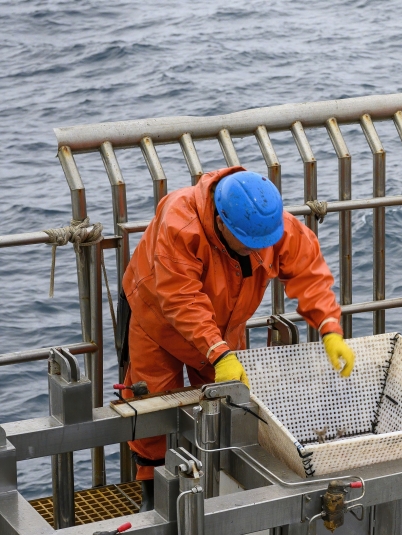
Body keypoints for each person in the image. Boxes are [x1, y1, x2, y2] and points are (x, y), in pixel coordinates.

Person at [120, 167, 355, 505]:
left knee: (230, 409)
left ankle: (219, 490)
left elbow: (309, 272)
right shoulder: (180, 221)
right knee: (152, 411)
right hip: (155, 322)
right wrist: (219, 352)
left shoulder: (273, 225)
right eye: (248, 245)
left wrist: (330, 328)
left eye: (263, 244)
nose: (257, 250)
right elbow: (180, 297)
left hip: (223, 330)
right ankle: (153, 496)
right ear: (221, 223)